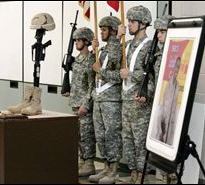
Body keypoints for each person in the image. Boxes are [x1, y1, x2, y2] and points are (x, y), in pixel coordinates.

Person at [119, 5, 154, 184]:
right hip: (126, 100)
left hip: (140, 103)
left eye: (132, 21)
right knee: (128, 139)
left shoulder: (149, 46)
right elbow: (112, 62)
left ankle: (142, 177)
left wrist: (131, 75)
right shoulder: (127, 44)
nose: (129, 25)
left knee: (140, 141)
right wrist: (118, 38)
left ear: (143, 24)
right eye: (129, 21)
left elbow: (153, 75)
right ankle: (133, 174)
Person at [88, 16, 123, 184]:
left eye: (104, 29)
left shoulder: (119, 49)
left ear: (113, 30)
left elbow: (118, 76)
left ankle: (114, 170)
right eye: (100, 29)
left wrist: (100, 70)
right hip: (99, 98)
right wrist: (93, 53)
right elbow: (92, 71)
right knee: (100, 135)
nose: (101, 32)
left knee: (111, 135)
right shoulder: (102, 50)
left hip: (111, 99)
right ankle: (106, 167)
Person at [63, 27, 96, 176]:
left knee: (86, 135)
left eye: (79, 40)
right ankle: (82, 161)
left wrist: (86, 104)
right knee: (78, 135)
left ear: (87, 41)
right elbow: (77, 81)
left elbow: (92, 85)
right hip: (75, 102)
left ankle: (89, 163)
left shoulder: (90, 60)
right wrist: (68, 89)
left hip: (84, 104)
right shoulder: (76, 60)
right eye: (75, 40)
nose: (76, 42)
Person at [155, 57, 181, 145]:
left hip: (171, 116)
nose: (177, 70)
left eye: (178, 67)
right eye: (176, 67)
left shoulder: (177, 84)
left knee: (168, 138)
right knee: (160, 135)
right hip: (163, 114)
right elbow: (164, 101)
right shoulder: (167, 82)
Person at [153, 15, 175, 86]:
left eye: (162, 32)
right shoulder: (158, 52)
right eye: (158, 32)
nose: (158, 35)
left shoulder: (175, 53)